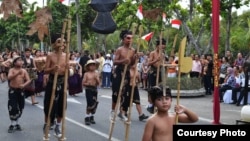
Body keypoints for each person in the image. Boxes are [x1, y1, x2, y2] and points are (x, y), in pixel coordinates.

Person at [43, 33, 68, 137]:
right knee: (49, 104)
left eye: (64, 42)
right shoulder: (50, 55)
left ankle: (58, 126)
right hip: (52, 82)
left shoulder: (67, 55)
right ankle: (47, 124)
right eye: (59, 41)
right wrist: (53, 69)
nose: (62, 44)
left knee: (62, 105)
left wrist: (68, 68)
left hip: (62, 82)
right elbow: (45, 70)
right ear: (54, 44)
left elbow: (69, 71)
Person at [110, 30, 137, 119]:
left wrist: (135, 58)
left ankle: (122, 112)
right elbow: (114, 62)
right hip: (118, 72)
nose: (130, 40)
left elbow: (132, 63)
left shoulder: (133, 50)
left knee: (126, 93)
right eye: (128, 38)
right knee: (116, 92)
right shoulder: (119, 49)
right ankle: (113, 110)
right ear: (123, 39)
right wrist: (123, 61)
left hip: (127, 73)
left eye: (131, 38)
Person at [7, 56, 33, 133]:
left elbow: (29, 80)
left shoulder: (24, 71)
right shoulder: (12, 70)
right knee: (13, 107)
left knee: (20, 107)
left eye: (21, 60)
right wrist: (17, 73)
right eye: (18, 60)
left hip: (21, 91)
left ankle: (17, 123)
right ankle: (12, 124)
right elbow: (9, 78)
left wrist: (24, 85)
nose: (21, 62)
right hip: (12, 91)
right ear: (14, 63)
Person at [147, 38, 166, 113]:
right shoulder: (152, 53)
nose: (163, 46)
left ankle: (158, 104)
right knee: (152, 89)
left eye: (164, 45)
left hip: (160, 73)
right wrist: (156, 60)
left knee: (159, 89)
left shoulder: (163, 54)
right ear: (157, 46)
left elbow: (163, 63)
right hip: (153, 73)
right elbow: (148, 63)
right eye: (161, 45)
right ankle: (150, 105)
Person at [82, 60, 100, 125]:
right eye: (91, 65)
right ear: (88, 66)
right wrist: (88, 83)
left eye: (93, 65)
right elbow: (83, 83)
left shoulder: (96, 73)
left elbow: (98, 83)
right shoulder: (86, 74)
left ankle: (92, 117)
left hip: (94, 90)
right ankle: (86, 117)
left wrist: (97, 79)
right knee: (90, 104)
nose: (92, 66)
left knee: (94, 104)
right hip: (88, 89)